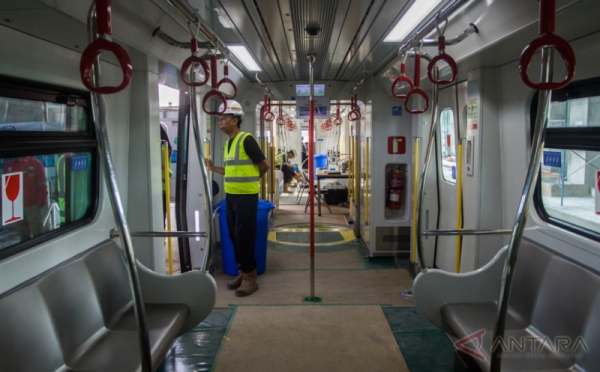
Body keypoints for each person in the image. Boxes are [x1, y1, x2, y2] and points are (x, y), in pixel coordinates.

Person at [206, 100, 270, 297]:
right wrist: (212, 167)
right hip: (232, 196)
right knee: (234, 236)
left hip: (246, 196)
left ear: (235, 120)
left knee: (244, 236)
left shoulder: (246, 140)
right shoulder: (228, 144)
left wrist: (252, 182)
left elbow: (264, 165)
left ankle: (251, 278)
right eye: (219, 120)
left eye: (223, 119)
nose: (220, 123)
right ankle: (243, 273)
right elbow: (231, 170)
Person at [3, 156, 48, 240]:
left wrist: (38, 205)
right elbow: (4, 188)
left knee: (38, 237)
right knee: (23, 237)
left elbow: (42, 186)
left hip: (32, 207)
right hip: (16, 209)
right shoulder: (8, 166)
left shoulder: (35, 164)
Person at [160, 122, 173, 226]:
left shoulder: (162, 149)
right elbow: (169, 172)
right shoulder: (166, 149)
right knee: (162, 215)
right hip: (164, 189)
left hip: (158, 189)